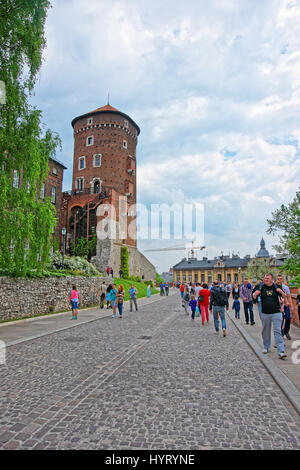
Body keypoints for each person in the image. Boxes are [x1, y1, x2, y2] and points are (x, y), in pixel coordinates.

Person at [253, 273, 287, 359]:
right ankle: (266, 347)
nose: (265, 280)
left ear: (272, 279)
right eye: (264, 278)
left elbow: (284, 297)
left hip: (276, 312)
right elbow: (253, 297)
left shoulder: (276, 286)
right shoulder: (260, 286)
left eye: (267, 278)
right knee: (265, 331)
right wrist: (255, 294)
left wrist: (282, 292)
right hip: (265, 313)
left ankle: (281, 351)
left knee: (277, 331)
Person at [276, 274, 293, 340]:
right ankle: (280, 333)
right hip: (279, 306)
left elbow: (289, 296)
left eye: (280, 279)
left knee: (288, 318)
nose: (279, 280)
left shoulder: (286, 287)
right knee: (281, 320)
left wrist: (291, 305)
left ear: (282, 279)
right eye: (278, 279)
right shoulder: (275, 287)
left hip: (286, 305)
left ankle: (286, 331)